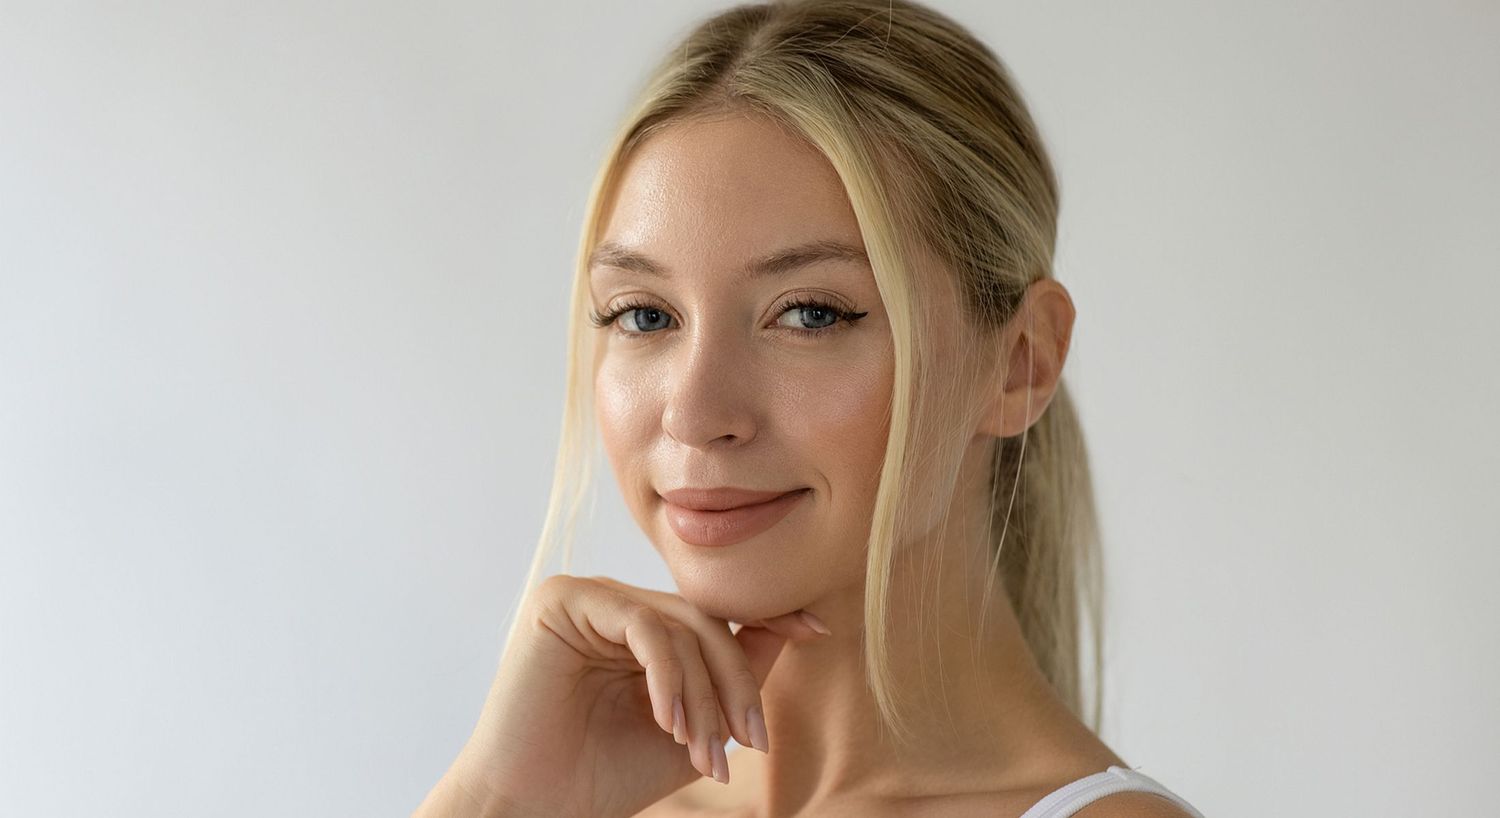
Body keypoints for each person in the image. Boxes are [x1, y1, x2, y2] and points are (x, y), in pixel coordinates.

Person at [415, 1, 1207, 816]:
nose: (693, 414)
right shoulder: (570, 796)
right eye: (644, 315)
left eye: (810, 314)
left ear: (1019, 364)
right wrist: (493, 803)